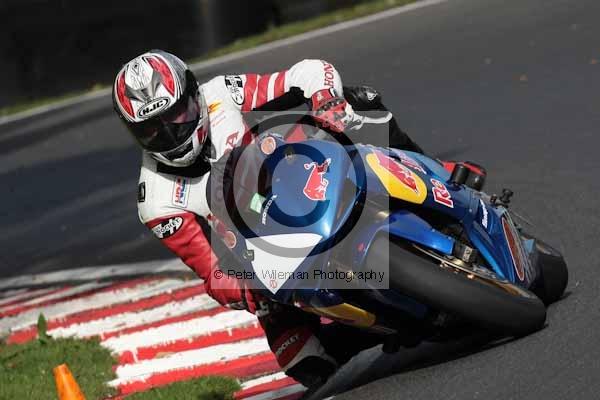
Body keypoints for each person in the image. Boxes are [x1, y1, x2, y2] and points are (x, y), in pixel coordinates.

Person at [113, 49, 485, 387]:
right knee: (307, 363)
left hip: (305, 176)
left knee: (362, 103)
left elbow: (306, 73)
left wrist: (327, 101)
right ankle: (387, 324)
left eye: (174, 115)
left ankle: (440, 175)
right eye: (151, 129)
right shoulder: (156, 201)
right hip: (267, 258)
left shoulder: (220, 94)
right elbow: (210, 270)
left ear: (193, 95)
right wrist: (247, 288)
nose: (169, 132)